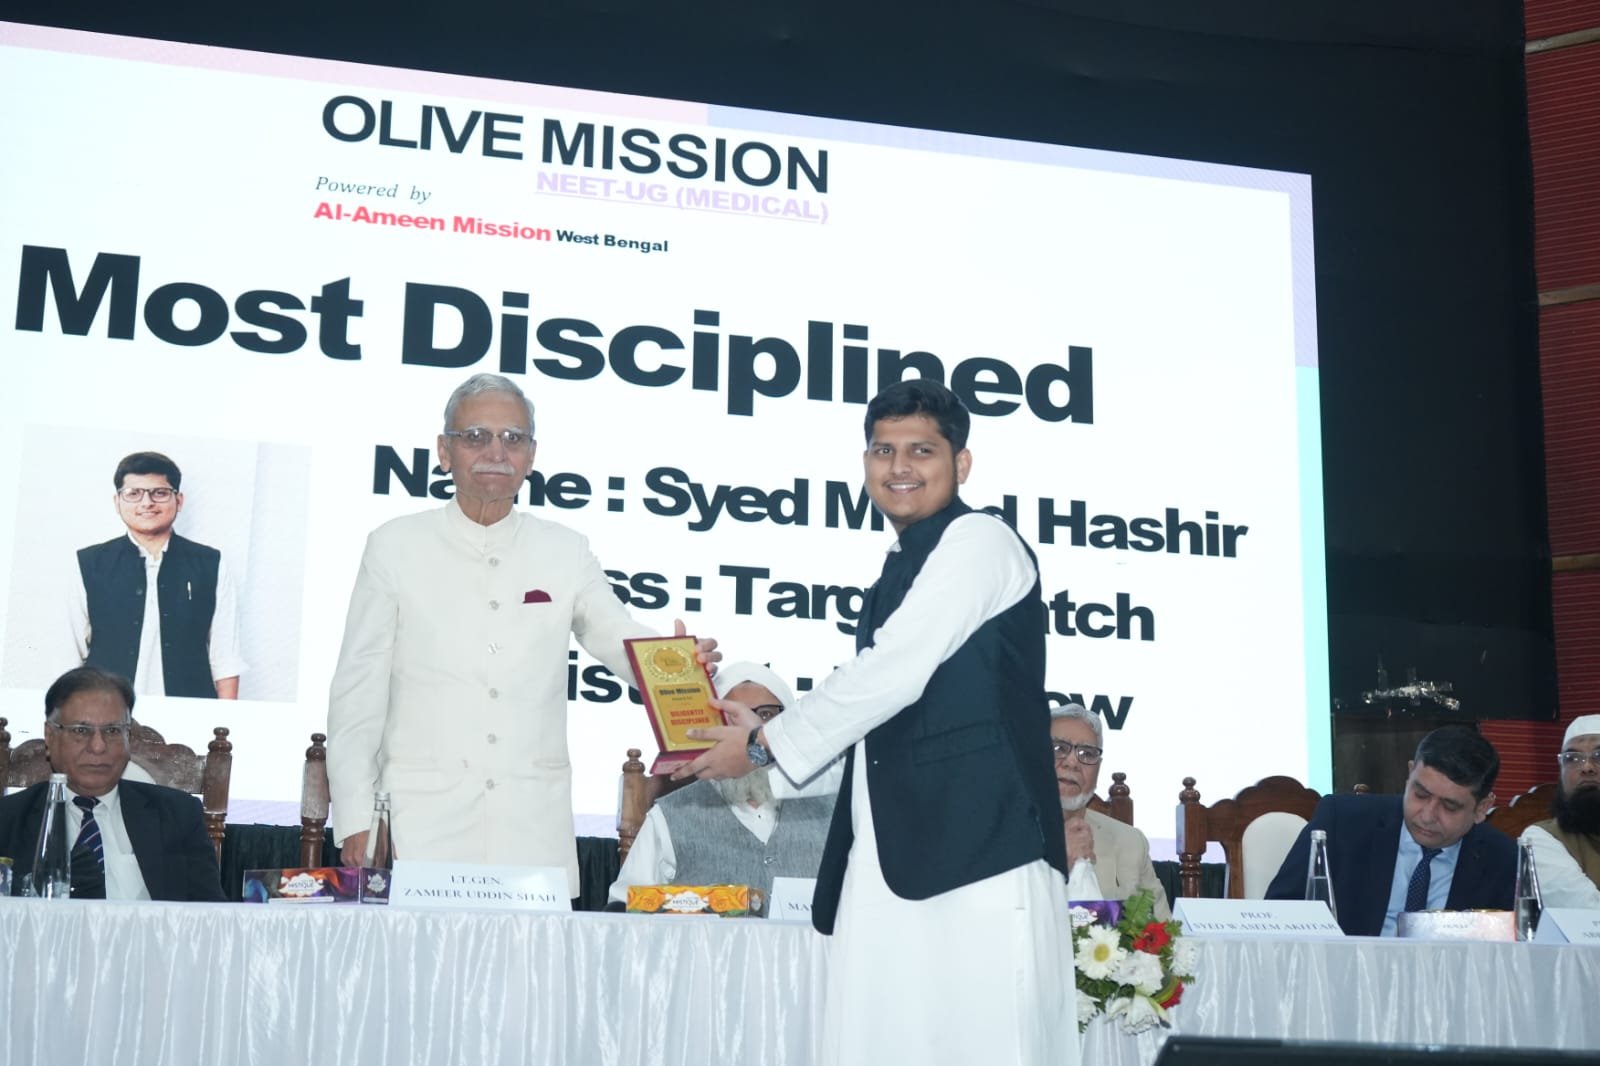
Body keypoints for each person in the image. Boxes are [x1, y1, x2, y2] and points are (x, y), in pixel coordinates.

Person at [676, 379, 1076, 1066]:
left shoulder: (981, 539)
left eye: (921, 450)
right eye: (882, 450)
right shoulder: (899, 563)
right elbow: (883, 714)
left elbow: (894, 671)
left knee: (986, 1046)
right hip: (895, 852)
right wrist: (762, 734)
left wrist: (765, 745)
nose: (899, 467)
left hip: (982, 851)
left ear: (962, 463)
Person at [327, 372, 716, 898]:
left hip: (532, 829)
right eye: (476, 437)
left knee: (534, 957)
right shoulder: (395, 545)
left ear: (531, 456)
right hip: (421, 824)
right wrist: (356, 817)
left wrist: (681, 666)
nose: (496, 452)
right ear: (444, 451)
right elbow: (357, 692)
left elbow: (616, 633)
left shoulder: (564, 550)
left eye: (513, 438)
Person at [608, 662, 833, 909]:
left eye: (766, 715)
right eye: (732, 719)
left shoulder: (833, 810)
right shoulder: (671, 813)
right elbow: (624, 906)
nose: (748, 731)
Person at [1265, 724, 1517, 935]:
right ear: (1409, 774)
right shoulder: (1341, 823)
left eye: (1449, 806)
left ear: (1482, 808)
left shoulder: (1503, 859)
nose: (1427, 816)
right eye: (1420, 794)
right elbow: (1280, 913)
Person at [0, 666, 226, 900]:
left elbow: (212, 913)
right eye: (81, 730)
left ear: (128, 737)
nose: (98, 746)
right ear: (50, 736)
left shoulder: (177, 816)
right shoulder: (7, 819)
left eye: (112, 731)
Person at [68, 451, 245, 699]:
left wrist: (224, 718)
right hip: (105, 711)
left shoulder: (210, 563)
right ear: (117, 502)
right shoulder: (89, 563)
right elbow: (69, 655)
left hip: (187, 709)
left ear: (179, 501)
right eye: (133, 493)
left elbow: (225, 658)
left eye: (159, 493)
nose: (147, 503)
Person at [1050, 702, 1170, 919]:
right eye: (1059, 749)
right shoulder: (1002, 836)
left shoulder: (1130, 842)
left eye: (1087, 754)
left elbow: (1163, 932)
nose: (1072, 762)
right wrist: (1059, 863)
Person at [1519, 714, 1600, 908]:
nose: (1587, 767)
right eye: (1572, 758)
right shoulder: (1540, 839)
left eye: (1599, 755)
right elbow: (1584, 914)